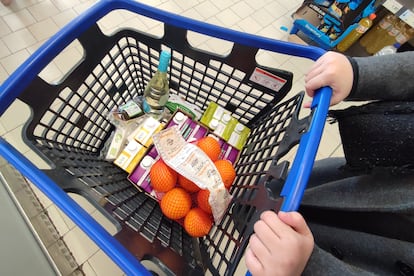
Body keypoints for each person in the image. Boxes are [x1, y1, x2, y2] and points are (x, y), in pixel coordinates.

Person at [245, 50, 414, 275]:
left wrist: (315, 267)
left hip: (356, 258)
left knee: (270, 228)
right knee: (261, 196)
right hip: (364, 179)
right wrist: (359, 73)